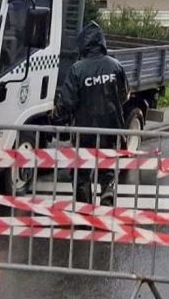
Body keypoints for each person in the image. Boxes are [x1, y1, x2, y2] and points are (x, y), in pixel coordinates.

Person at [52, 21, 129, 205]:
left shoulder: (77, 69)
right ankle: (108, 191)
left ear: (83, 44)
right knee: (108, 164)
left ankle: (84, 208)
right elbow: (124, 95)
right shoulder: (115, 66)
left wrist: (57, 117)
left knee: (82, 170)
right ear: (102, 42)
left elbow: (68, 102)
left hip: (84, 130)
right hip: (111, 128)